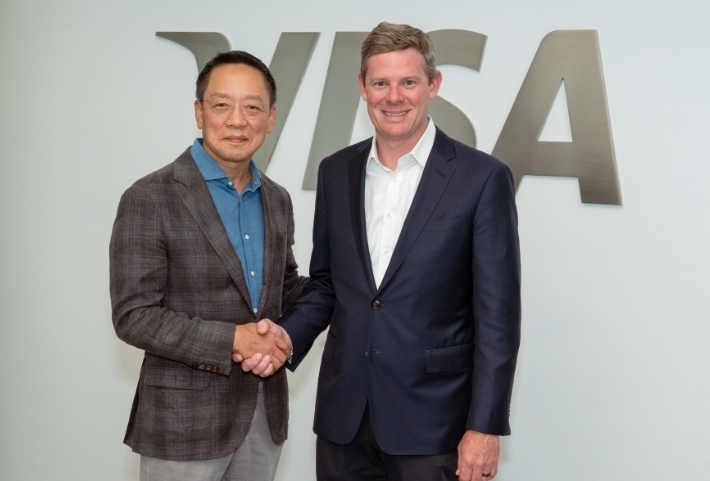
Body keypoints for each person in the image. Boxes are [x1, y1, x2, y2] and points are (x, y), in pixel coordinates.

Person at [243, 22, 522, 481]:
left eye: (408, 82)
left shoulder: (482, 178)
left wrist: (484, 426)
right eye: (380, 83)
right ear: (362, 87)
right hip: (344, 421)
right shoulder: (335, 171)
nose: (394, 97)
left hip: (436, 426)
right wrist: (286, 337)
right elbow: (328, 283)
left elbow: (498, 317)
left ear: (433, 84)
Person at [109, 50, 307, 481]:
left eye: (252, 108)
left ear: (271, 119)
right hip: (183, 423)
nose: (237, 121)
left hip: (263, 416)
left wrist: (348, 284)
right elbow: (134, 316)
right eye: (221, 105)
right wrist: (233, 339)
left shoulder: (277, 199)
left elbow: (285, 288)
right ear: (199, 112)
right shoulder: (149, 197)